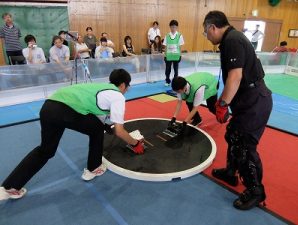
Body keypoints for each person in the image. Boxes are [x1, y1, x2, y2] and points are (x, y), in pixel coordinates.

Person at [0, 69, 145, 201]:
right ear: (123, 85)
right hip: (65, 111)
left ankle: (11, 186)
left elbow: (93, 114)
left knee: (45, 150)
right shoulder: (118, 96)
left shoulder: (99, 87)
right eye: (128, 86)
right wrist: (135, 143)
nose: (127, 90)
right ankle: (94, 168)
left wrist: (104, 126)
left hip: (48, 107)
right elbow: (119, 131)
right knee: (96, 130)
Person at [203, 11, 272, 210]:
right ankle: (231, 172)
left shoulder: (232, 40)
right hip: (250, 100)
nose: (207, 37)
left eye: (205, 32)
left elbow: (235, 77)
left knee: (244, 147)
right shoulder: (232, 38)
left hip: (254, 102)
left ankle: (256, 191)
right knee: (233, 134)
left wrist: (222, 105)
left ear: (212, 27)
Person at [163, 20, 184, 86]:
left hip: (176, 56)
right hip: (169, 56)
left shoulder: (180, 35)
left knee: (176, 70)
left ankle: (175, 83)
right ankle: (167, 81)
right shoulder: (167, 35)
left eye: (174, 27)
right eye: (172, 27)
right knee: (167, 70)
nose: (173, 28)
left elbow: (180, 46)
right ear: (170, 27)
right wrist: (165, 56)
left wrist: (180, 55)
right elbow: (165, 46)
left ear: (177, 27)